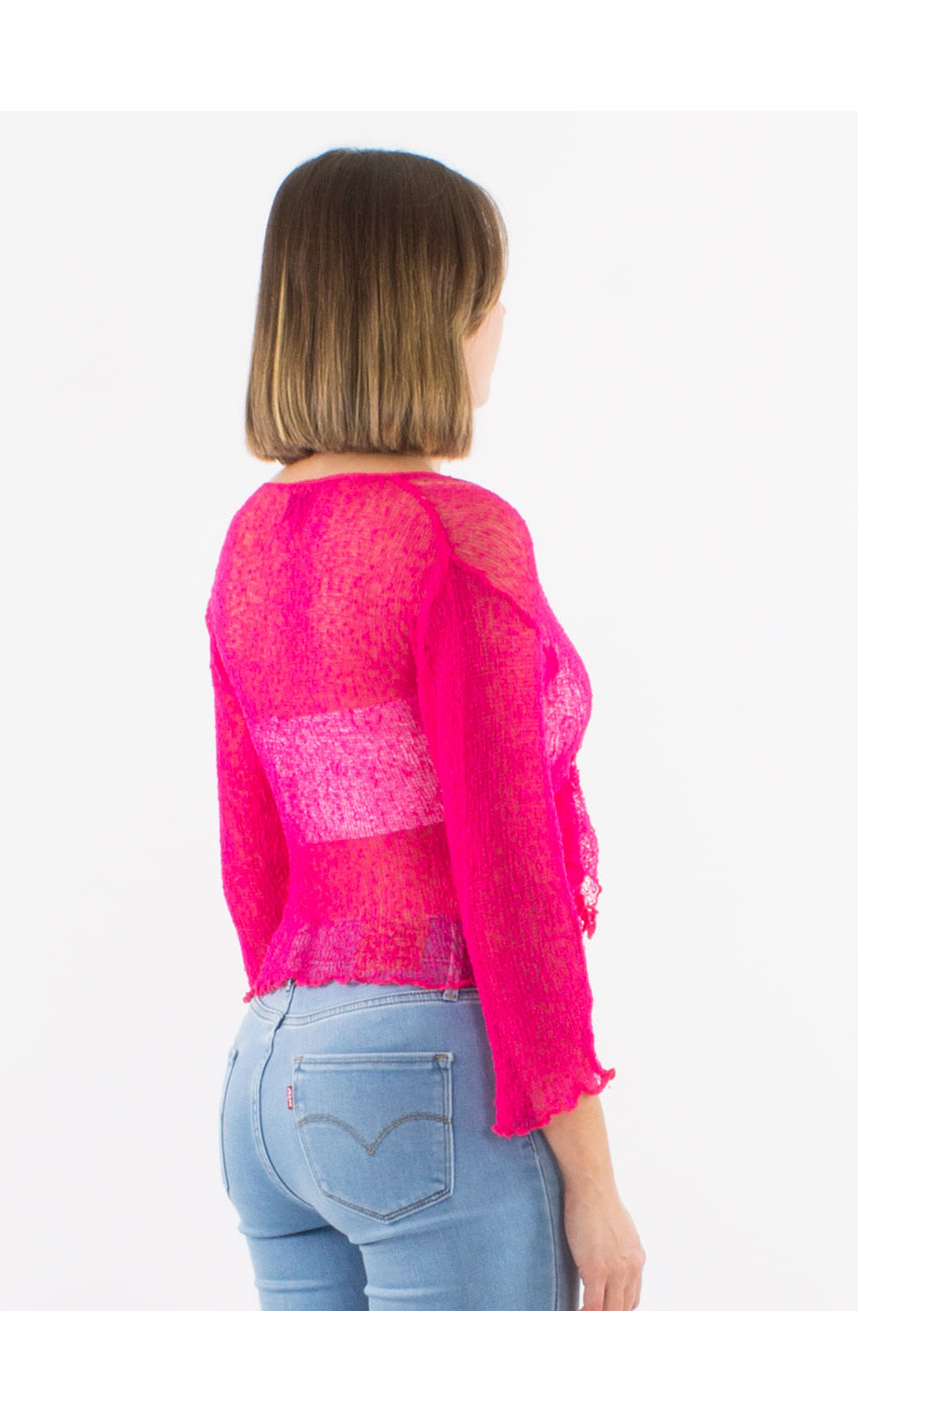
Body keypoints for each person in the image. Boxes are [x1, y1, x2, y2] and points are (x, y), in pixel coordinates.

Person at [206, 147, 645, 1310]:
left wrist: (320, 1063)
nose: (499, 321)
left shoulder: (252, 540)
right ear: (431, 316)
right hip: (422, 1075)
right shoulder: (455, 534)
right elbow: (510, 875)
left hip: (268, 1077)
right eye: (484, 292)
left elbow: (253, 860)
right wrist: (593, 1183)